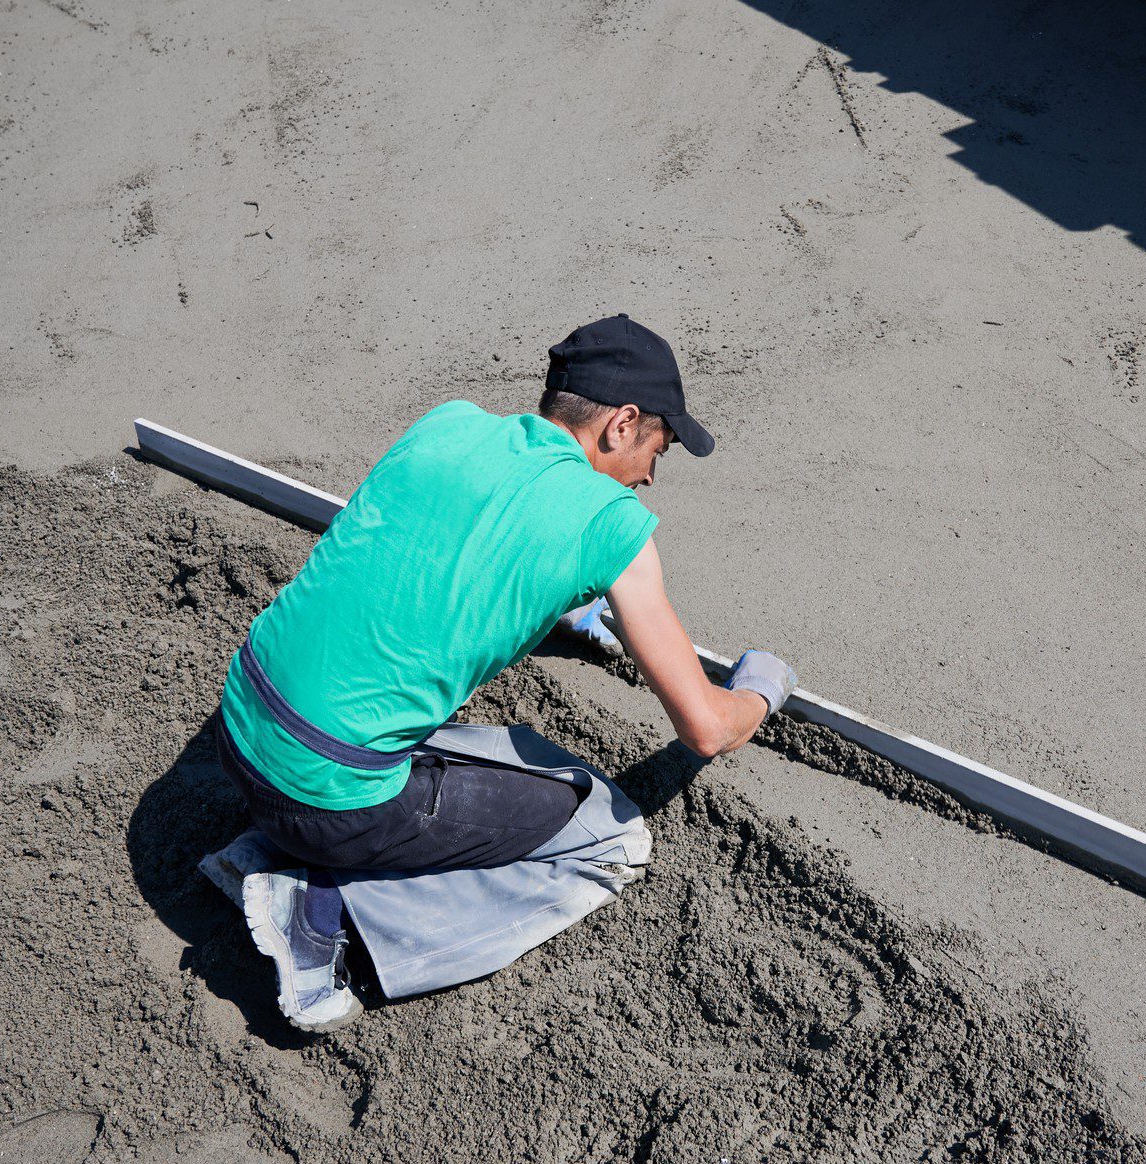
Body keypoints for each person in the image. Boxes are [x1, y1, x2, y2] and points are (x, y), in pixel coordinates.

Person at [212, 314, 796, 1030]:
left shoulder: (448, 423)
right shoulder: (610, 521)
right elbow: (705, 728)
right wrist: (759, 693)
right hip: (324, 798)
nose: (649, 474)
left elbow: (429, 556)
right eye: (657, 450)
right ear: (622, 423)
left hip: (240, 726)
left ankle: (262, 850)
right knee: (608, 836)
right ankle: (320, 907)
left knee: (422, 728)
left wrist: (571, 608)